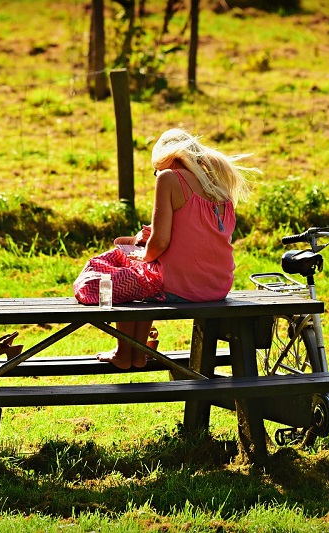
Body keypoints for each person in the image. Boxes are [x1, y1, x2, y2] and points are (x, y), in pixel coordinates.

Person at [97, 127, 259, 369]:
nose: (157, 173)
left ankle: (124, 353)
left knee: (127, 273)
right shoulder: (218, 184)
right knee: (146, 274)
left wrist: (142, 255)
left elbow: (160, 243)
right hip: (218, 286)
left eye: (156, 168)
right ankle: (138, 353)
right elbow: (199, 237)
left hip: (184, 287)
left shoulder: (170, 179)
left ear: (167, 158)